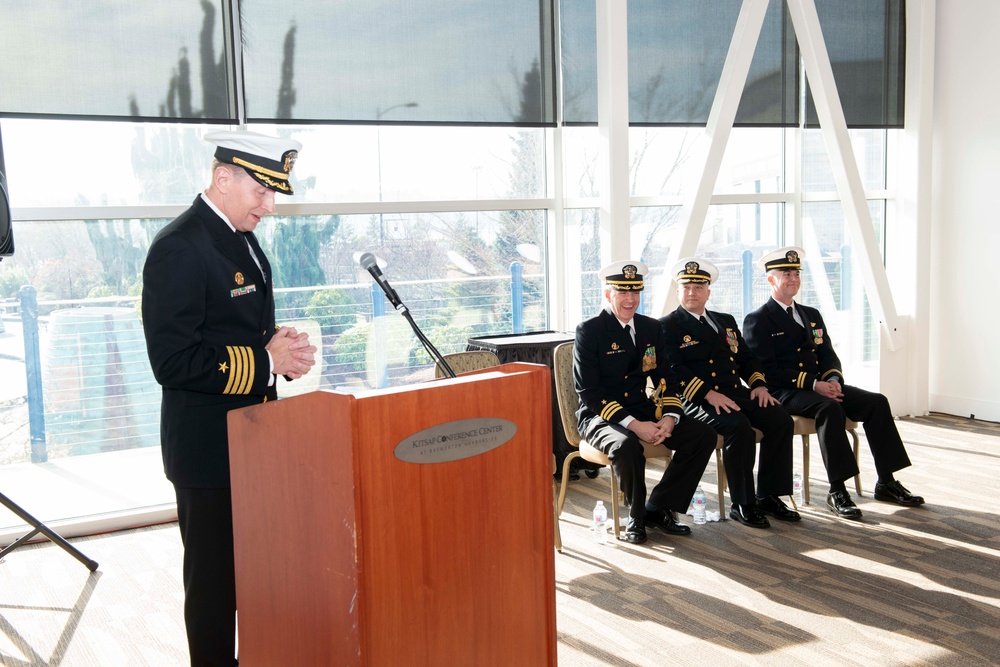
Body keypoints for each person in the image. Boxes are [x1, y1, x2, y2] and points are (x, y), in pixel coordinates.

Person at [141, 130, 317, 666]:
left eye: (273, 194)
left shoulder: (238, 235)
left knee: (258, 577)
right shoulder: (180, 246)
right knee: (215, 590)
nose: (270, 205)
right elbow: (172, 361)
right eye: (261, 192)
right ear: (223, 178)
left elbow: (232, 325)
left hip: (253, 441)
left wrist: (276, 348)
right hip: (208, 451)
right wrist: (266, 362)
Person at [742, 246, 924, 520]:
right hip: (787, 390)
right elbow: (768, 371)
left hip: (820, 385)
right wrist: (815, 384)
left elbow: (827, 353)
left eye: (796, 273)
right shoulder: (758, 319)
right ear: (770, 279)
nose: (793, 278)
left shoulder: (811, 313)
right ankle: (837, 490)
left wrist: (833, 378)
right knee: (829, 408)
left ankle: (886, 481)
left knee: (876, 402)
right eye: (785, 273)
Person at [573, 260, 717, 544]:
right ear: (608, 295)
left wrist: (670, 417)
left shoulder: (651, 328)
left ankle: (659, 507)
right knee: (626, 446)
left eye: (635, 292)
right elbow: (588, 390)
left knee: (703, 435)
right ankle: (636, 516)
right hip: (600, 414)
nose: (630, 300)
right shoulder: (590, 330)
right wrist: (635, 425)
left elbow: (667, 378)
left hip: (643, 407)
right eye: (622, 293)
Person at [659, 258, 799, 528]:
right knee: (739, 428)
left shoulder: (725, 321)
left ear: (708, 292)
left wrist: (758, 384)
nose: (692, 292)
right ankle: (743, 504)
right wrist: (708, 394)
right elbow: (673, 370)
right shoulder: (667, 325)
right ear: (678, 292)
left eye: (698, 287)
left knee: (780, 420)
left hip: (735, 392)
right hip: (696, 399)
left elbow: (746, 358)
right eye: (686, 287)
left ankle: (769, 494)